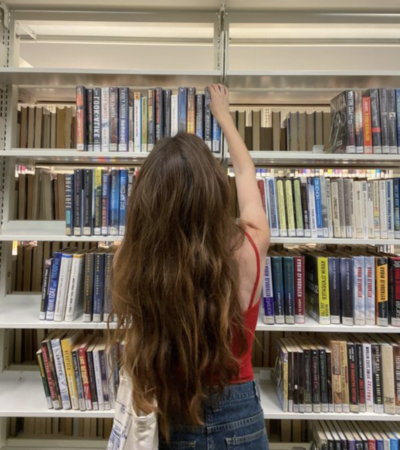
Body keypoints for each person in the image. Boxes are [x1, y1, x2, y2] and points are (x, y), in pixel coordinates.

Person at [111, 84, 270, 449]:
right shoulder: (250, 246)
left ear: (147, 197)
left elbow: (143, 225)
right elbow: (246, 172)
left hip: (171, 413)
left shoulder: (132, 258)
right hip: (240, 414)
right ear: (216, 190)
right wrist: (224, 117)